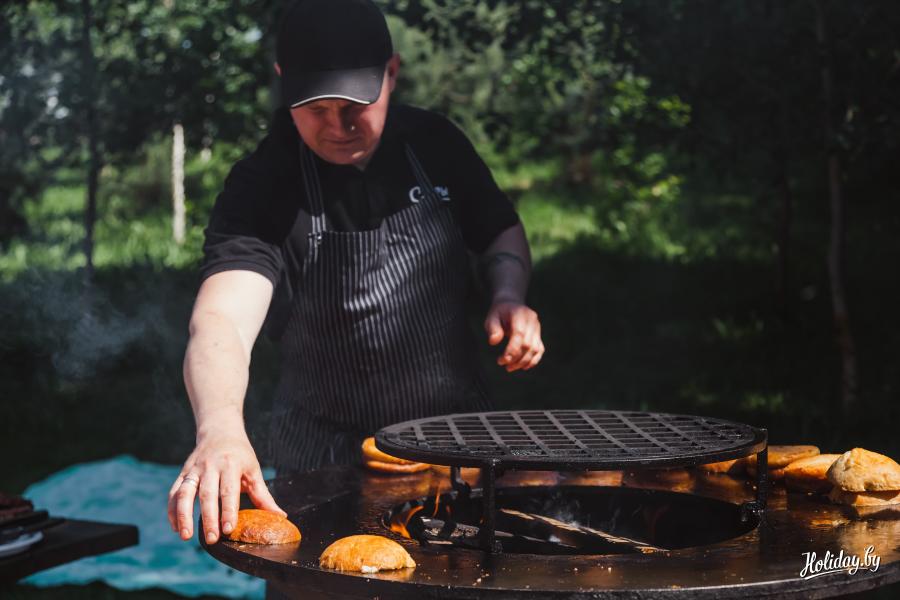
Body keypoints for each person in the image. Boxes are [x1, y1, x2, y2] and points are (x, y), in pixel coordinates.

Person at [167, 0, 544, 550]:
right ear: (283, 81)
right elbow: (222, 316)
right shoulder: (263, 184)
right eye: (315, 108)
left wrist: (508, 295)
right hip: (322, 467)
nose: (337, 127)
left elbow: (499, 230)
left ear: (391, 73)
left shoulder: (436, 144)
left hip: (458, 451)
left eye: (354, 106)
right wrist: (220, 427)